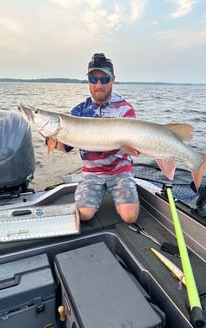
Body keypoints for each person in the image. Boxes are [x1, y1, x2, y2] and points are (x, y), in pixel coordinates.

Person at [53, 53, 140, 223]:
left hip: (120, 171)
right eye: (93, 80)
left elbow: (132, 147)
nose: (98, 85)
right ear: (89, 81)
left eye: (104, 79)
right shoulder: (79, 112)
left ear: (112, 79)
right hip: (92, 173)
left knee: (130, 217)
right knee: (84, 215)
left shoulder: (125, 110)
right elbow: (65, 147)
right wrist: (51, 137)